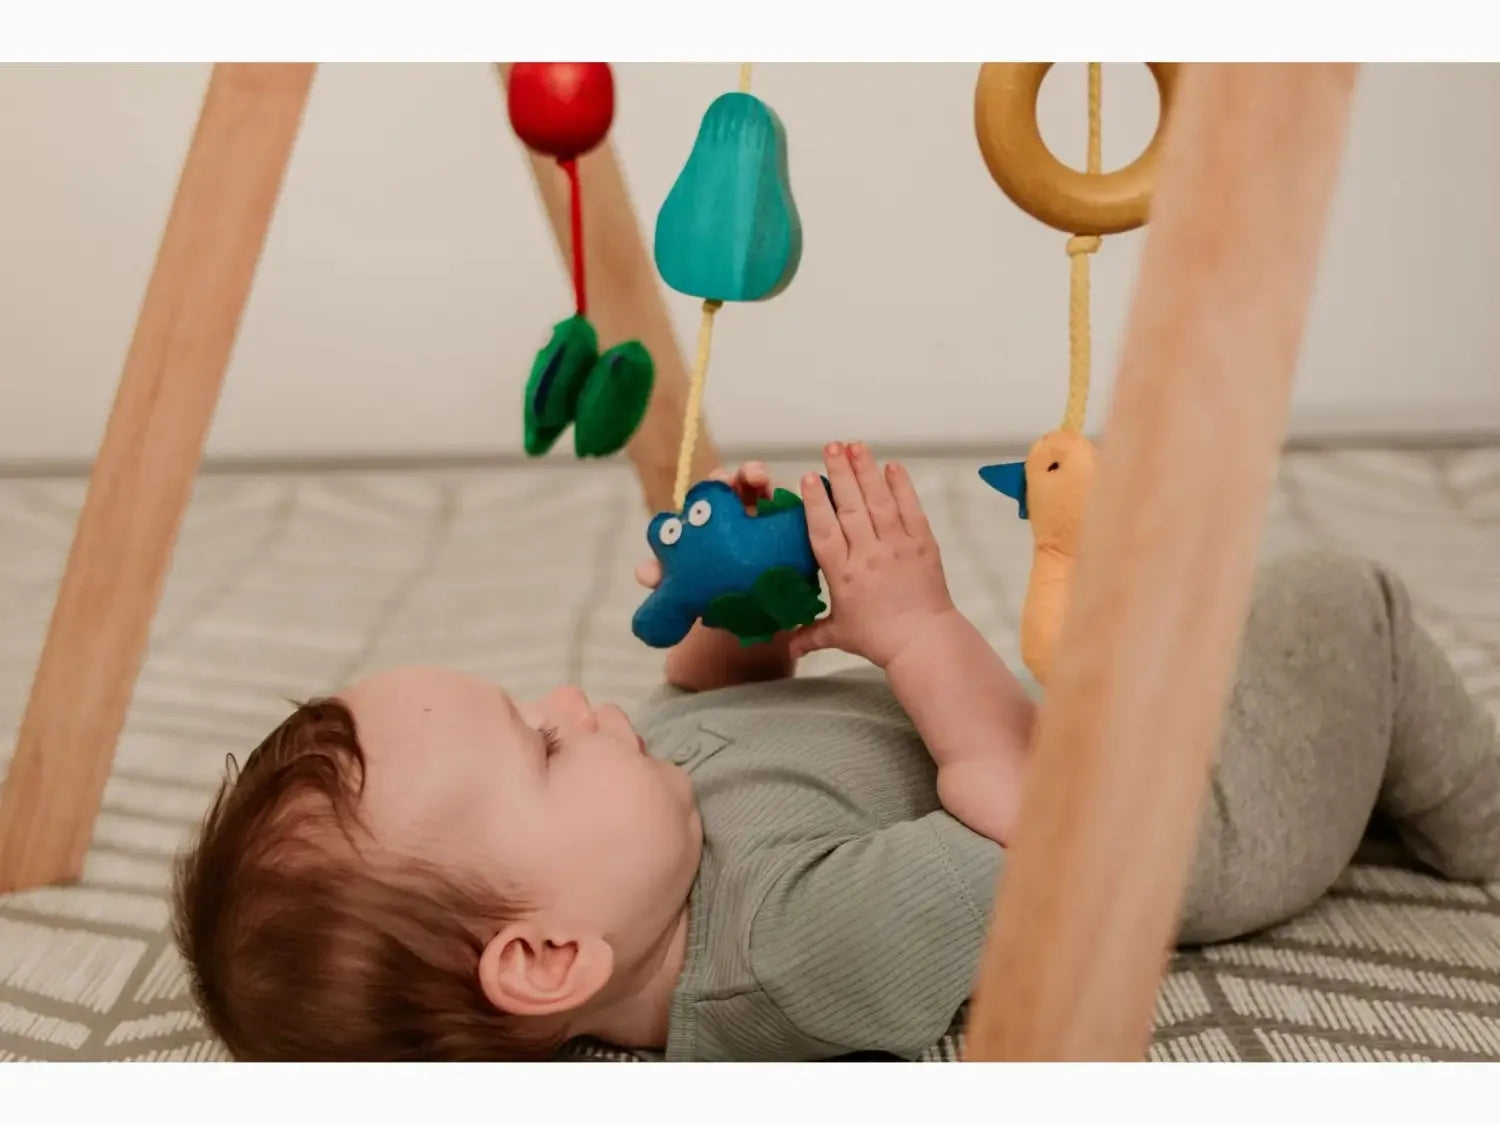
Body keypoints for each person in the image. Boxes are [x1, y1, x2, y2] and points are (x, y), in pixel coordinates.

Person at [172, 442, 1500, 1062]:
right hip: (1176, 823)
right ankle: (1478, 822)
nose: (573, 699)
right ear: (547, 957)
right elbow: (1036, 837)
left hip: (1064, 728)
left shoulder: (636, 846)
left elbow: (724, 706)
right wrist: (913, 629)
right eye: (542, 745)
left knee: (1192, 598)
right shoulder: (790, 952)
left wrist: (738, 612)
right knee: (1341, 605)